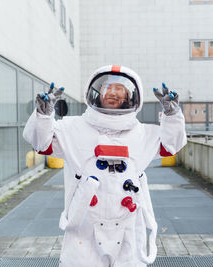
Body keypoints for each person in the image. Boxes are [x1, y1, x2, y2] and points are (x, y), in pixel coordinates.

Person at [23, 65, 187, 267]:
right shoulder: (73, 128)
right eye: (108, 87)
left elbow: (171, 145)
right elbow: (42, 143)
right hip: (84, 225)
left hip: (127, 224)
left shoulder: (141, 134)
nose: (113, 93)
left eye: (120, 89)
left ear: (130, 96)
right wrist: (43, 115)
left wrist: (172, 115)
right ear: (96, 92)